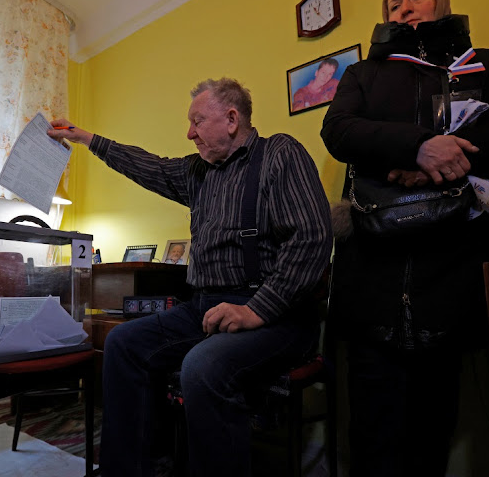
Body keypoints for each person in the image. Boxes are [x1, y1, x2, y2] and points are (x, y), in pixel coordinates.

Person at [320, 0, 489, 476]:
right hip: (372, 275)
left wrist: (451, 157)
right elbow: (338, 129)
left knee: (432, 430)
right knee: (373, 435)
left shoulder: (480, 64)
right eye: (394, 2)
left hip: (451, 273)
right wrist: (418, 147)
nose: (405, 8)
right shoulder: (364, 74)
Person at [48, 78, 332, 477]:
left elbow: (313, 238)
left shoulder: (280, 154)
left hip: (276, 314)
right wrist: (88, 139)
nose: (189, 132)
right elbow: (148, 165)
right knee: (123, 343)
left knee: (202, 366)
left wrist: (258, 310)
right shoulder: (198, 172)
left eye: (197, 121)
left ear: (232, 119)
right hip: (204, 308)